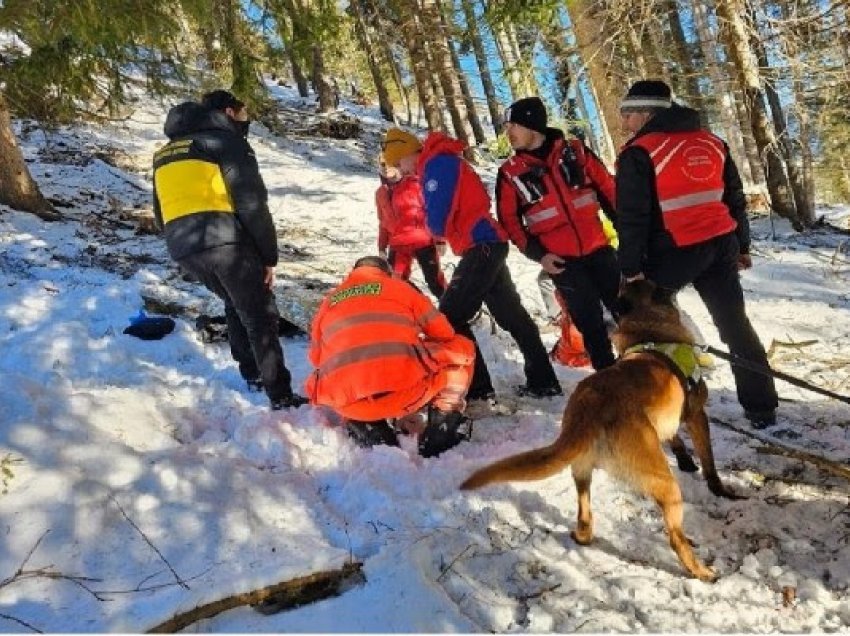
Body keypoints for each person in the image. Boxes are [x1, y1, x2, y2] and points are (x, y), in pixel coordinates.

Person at [616, 79, 778, 427]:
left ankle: (659, 400)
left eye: (627, 115)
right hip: (721, 245)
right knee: (735, 327)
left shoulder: (639, 153)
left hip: (670, 253)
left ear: (646, 115)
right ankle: (762, 408)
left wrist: (630, 270)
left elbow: (632, 218)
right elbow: (733, 198)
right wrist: (742, 246)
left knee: (644, 328)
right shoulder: (712, 142)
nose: (624, 123)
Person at [152, 89, 306, 410]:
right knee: (260, 313)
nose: (246, 119)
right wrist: (268, 256)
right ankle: (281, 396)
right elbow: (252, 204)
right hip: (223, 240)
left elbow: (159, 212)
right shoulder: (227, 142)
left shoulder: (166, 152)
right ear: (229, 112)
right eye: (243, 112)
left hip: (182, 246)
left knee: (236, 304)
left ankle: (252, 374)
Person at [382, 127, 561, 401]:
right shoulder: (440, 161)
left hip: (482, 246)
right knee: (511, 315)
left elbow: (438, 217)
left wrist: (434, 230)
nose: (398, 169)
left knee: (450, 317)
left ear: (407, 153)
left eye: (398, 162)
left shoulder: (437, 164)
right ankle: (543, 381)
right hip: (486, 243)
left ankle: (478, 388)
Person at [496, 96, 621, 370]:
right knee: (590, 326)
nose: (509, 133)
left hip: (600, 251)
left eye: (513, 126)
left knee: (628, 315)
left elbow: (610, 192)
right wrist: (538, 255)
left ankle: (648, 371)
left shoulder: (576, 152)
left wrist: (629, 237)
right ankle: (612, 382)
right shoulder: (510, 173)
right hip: (562, 262)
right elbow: (509, 222)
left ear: (532, 125)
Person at [305, 256, 475, 457]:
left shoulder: (329, 301)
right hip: (403, 395)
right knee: (462, 348)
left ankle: (364, 423)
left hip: (349, 403)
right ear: (387, 273)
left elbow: (316, 358)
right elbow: (444, 333)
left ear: (353, 272)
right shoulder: (401, 289)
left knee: (339, 374)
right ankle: (443, 424)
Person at [375, 157, 447, 298]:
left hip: (422, 240)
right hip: (398, 244)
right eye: (382, 164)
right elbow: (383, 222)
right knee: (396, 282)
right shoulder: (380, 193)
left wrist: (440, 239)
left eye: (389, 163)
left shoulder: (415, 183)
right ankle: (419, 305)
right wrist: (382, 247)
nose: (386, 167)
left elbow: (434, 211)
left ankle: (453, 312)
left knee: (435, 283)